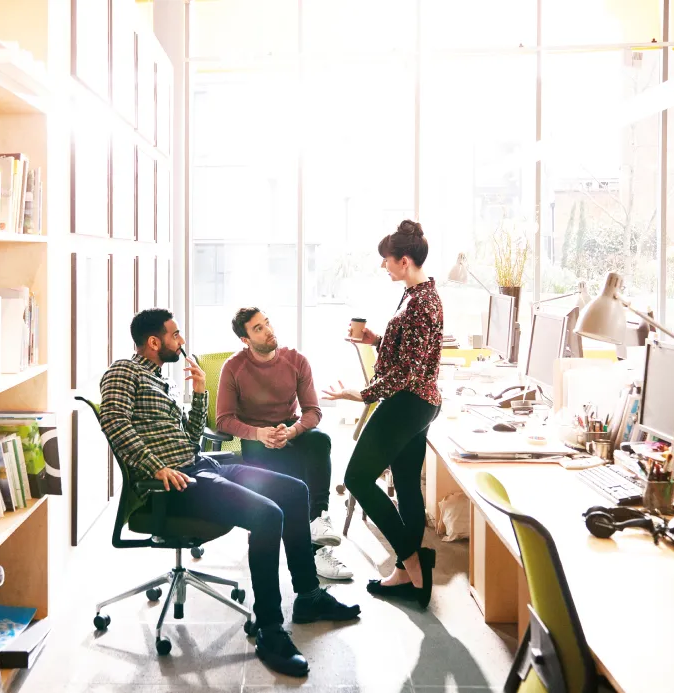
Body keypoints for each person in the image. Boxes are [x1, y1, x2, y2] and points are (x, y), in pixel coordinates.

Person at [99, 308, 360, 678]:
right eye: (175, 335)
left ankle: (308, 595)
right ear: (154, 342)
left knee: (294, 490)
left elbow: (189, 440)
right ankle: (270, 630)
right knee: (268, 515)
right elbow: (113, 419)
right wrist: (154, 467)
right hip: (175, 483)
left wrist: (200, 394)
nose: (182, 341)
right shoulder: (123, 372)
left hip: (200, 464)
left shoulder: (159, 381)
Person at [322, 220, 443, 610]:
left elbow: (408, 371)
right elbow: (411, 349)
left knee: (356, 477)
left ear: (404, 261)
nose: (383, 267)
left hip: (408, 402)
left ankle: (413, 563)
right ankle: (407, 576)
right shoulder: (417, 294)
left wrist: (360, 394)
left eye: (386, 261)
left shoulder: (422, 302)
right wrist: (379, 339)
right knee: (406, 483)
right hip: (417, 402)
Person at [215, 307, 353, 581]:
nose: (268, 331)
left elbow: (313, 411)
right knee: (282, 469)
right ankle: (293, 546)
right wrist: (258, 434)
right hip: (256, 437)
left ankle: (317, 525)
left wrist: (293, 431)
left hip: (289, 429)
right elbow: (224, 420)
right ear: (245, 340)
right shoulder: (233, 368)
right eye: (258, 328)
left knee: (319, 440)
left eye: (267, 323)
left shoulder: (296, 360)